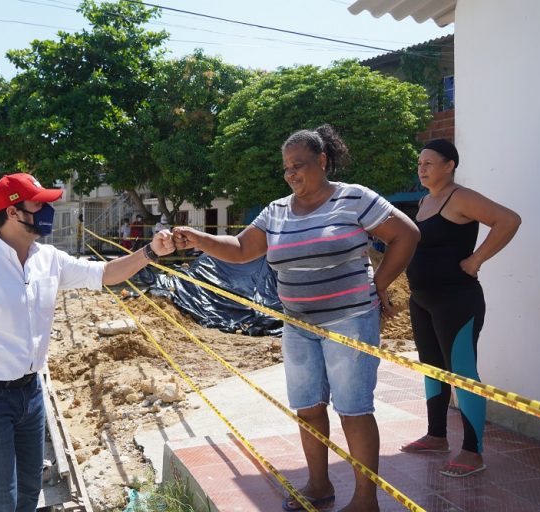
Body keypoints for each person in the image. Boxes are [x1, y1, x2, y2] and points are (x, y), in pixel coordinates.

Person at [174, 125, 419, 512]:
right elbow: (240, 249)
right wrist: (199, 238)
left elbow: (406, 234)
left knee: (354, 409)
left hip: (350, 319)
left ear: (322, 162)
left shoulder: (353, 198)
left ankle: (365, 499)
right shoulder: (276, 211)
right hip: (298, 325)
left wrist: (378, 286)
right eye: (286, 167)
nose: (291, 173)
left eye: (299, 165)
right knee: (307, 406)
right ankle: (319, 486)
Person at [0, 173, 174, 512]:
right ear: (12, 212)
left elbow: (104, 274)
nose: (47, 210)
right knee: (0, 500)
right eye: (39, 203)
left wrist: (149, 251)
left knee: (27, 495)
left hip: (30, 393)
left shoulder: (48, 259)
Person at [400, 139, 521, 478]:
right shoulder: (424, 201)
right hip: (422, 299)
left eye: (429, 163)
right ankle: (437, 435)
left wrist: (476, 259)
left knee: (463, 372)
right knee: (432, 368)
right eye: (420, 163)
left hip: (456, 299)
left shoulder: (461, 197)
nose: (421, 168)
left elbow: (509, 220)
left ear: (449, 165)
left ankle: (473, 450)